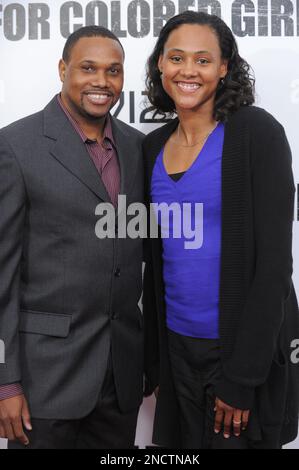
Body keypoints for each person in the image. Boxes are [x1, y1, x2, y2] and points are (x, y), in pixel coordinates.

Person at [142, 11, 299, 449]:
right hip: (177, 352)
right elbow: (156, 264)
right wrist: (157, 363)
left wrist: (243, 376)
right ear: (160, 64)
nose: (187, 70)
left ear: (225, 67)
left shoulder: (256, 134)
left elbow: (273, 267)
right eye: (176, 57)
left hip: (236, 354)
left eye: (203, 60)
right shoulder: (152, 147)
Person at [0, 26, 144, 449]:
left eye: (114, 71)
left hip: (121, 380)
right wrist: (5, 381)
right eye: (88, 68)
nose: (102, 81)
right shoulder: (16, 145)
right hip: (45, 381)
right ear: (63, 69)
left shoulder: (139, 147)